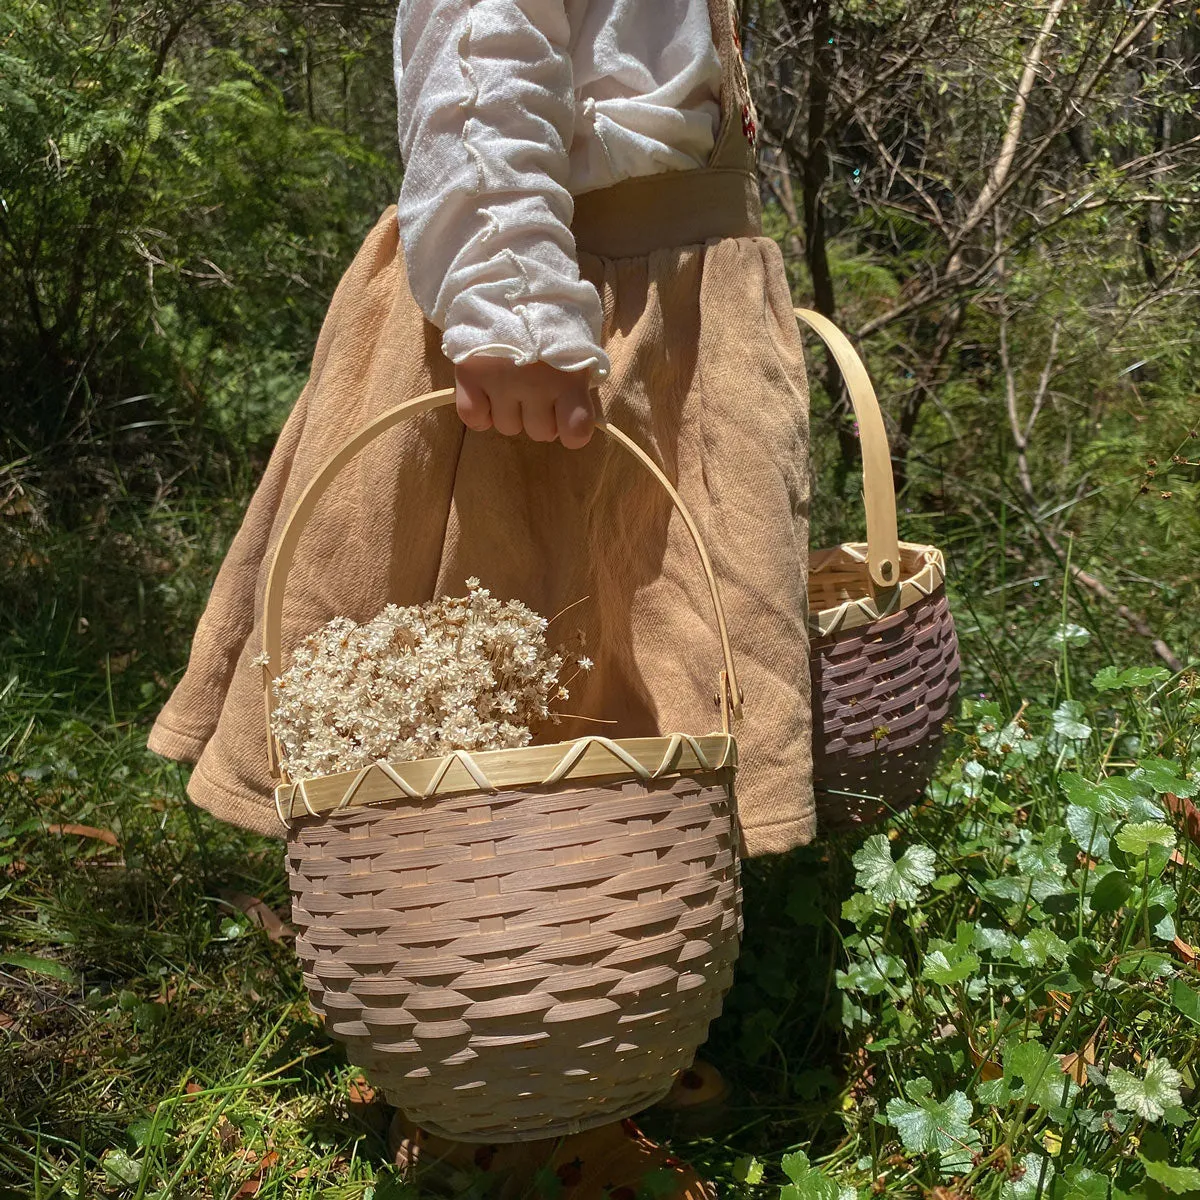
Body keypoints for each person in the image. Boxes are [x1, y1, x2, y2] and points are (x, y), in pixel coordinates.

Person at [149, 0, 814, 1192]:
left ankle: (611, 1013)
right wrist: (511, 298)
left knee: (643, 673)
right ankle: (480, 1059)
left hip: (678, 294)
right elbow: (483, 27)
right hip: (562, 310)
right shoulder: (533, 313)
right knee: (492, 680)